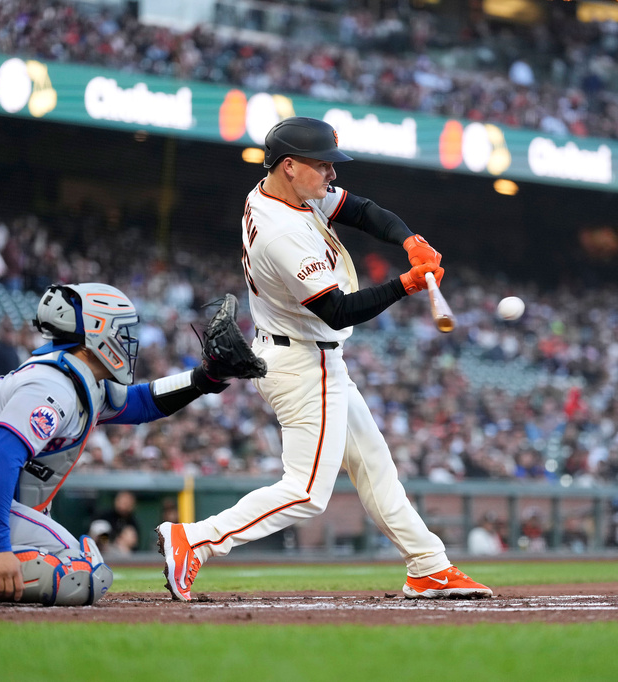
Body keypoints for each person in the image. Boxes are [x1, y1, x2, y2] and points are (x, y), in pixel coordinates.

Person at [156, 116, 492, 601]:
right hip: (303, 363)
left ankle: (429, 565)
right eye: (322, 165)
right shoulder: (281, 232)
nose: (332, 174)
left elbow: (360, 210)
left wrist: (408, 239)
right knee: (307, 492)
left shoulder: (282, 189)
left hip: (312, 355)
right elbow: (336, 311)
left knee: (374, 466)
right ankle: (195, 540)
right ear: (290, 166)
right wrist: (406, 284)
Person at [0, 282, 259, 607]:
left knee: (82, 564)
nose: (128, 341)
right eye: (121, 331)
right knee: (82, 573)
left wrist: (206, 378)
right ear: (96, 332)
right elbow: (0, 456)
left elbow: (141, 403)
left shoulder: (73, 376)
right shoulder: (54, 385)